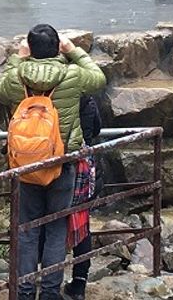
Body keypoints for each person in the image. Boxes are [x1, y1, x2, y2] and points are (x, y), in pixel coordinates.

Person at [0, 24, 106, 300]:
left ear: (29, 49)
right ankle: (50, 293)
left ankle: (24, 291)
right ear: (57, 47)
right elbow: (99, 78)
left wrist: (17, 58)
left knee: (28, 228)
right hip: (62, 162)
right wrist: (74, 50)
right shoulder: (72, 75)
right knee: (57, 226)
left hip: (26, 166)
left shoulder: (16, 76)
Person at [63, 93, 103, 300]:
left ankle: (46, 282)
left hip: (53, 161)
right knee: (81, 221)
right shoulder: (85, 96)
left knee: (51, 222)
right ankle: (79, 284)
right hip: (82, 165)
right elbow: (96, 128)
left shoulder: (47, 90)